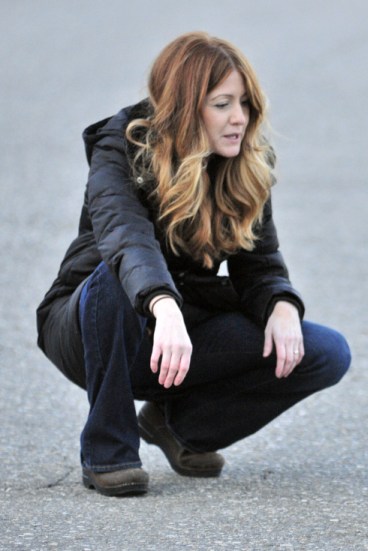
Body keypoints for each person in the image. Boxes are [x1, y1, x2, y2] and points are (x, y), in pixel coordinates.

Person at [36, 32, 351, 496]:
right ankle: (109, 450)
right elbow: (127, 241)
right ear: (186, 106)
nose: (239, 118)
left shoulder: (244, 162)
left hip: (176, 336)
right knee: (114, 277)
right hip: (93, 328)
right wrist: (162, 305)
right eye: (222, 104)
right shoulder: (119, 147)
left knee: (324, 352)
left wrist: (282, 305)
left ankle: (178, 426)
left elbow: (259, 264)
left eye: (244, 103)